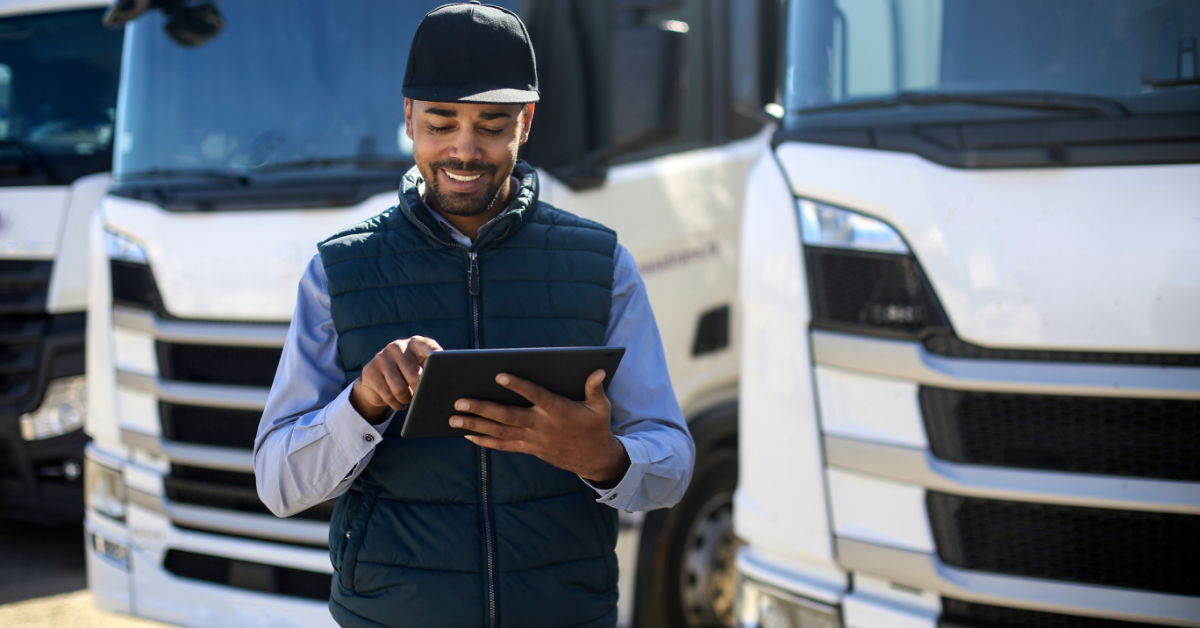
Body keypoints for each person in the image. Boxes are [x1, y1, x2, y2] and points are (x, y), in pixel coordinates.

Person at [254, 3, 694, 627]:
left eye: (491, 125)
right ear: (408, 119)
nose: (465, 150)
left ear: (527, 122)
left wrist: (602, 458)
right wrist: (361, 406)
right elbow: (277, 483)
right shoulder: (337, 273)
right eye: (440, 123)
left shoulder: (603, 264)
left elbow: (671, 463)